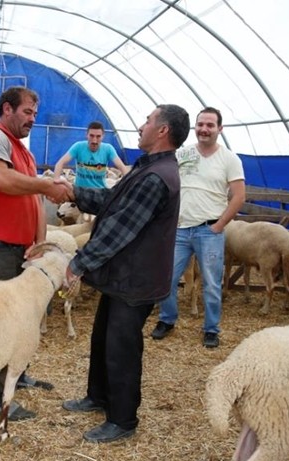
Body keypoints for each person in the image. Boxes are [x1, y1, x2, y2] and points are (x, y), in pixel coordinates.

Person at [59, 104, 190, 443]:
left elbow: (119, 227)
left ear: (162, 131)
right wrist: (74, 192)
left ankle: (122, 419)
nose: (142, 124)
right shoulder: (147, 168)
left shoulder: (157, 177)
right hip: (124, 276)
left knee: (122, 346)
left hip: (137, 279)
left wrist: (78, 263)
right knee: (103, 336)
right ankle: (98, 396)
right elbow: (112, 200)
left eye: (148, 120)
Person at [0, 86, 71, 421]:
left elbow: (33, 201)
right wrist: (44, 184)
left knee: (22, 321)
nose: (32, 119)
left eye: (35, 115)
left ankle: (17, 374)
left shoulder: (22, 152)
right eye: (27, 112)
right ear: (7, 109)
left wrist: (40, 244)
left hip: (21, 251)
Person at [150, 106, 246, 348]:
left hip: (209, 230)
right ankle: (167, 319)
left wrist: (220, 225)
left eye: (210, 125)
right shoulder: (182, 154)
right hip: (180, 230)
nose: (204, 129)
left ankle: (211, 329)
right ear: (195, 127)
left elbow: (238, 196)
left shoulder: (230, 159)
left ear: (220, 129)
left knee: (212, 283)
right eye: (201, 124)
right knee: (167, 278)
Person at [53, 121, 130, 188]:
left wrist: (128, 185)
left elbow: (122, 168)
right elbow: (60, 163)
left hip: (100, 192)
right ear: (87, 135)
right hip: (80, 191)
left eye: (98, 136)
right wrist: (56, 180)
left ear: (103, 136)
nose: (94, 141)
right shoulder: (78, 147)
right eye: (91, 136)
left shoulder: (108, 149)